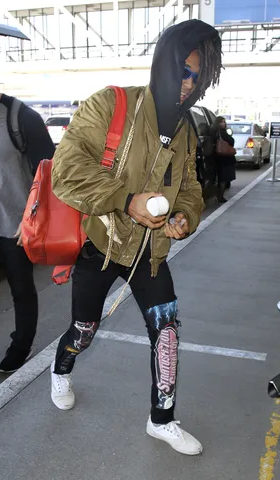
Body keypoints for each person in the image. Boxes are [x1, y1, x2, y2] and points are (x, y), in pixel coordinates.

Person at [50, 19, 222, 455]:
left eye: (197, 77)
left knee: (166, 333)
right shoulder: (112, 104)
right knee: (84, 329)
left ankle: (161, 419)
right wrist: (127, 201)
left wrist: (183, 216)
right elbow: (66, 171)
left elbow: (189, 189)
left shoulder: (184, 130)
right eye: (184, 70)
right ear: (164, 63)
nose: (189, 84)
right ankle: (61, 369)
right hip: (100, 247)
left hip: (150, 255)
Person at [0, 89, 55, 373]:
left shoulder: (20, 117)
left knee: (20, 288)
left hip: (15, 224)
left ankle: (20, 346)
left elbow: (50, 171)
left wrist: (34, 215)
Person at [211, 116, 236, 203]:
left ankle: (218, 195)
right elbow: (232, 141)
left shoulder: (213, 132)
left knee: (220, 178)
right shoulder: (223, 133)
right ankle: (220, 197)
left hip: (217, 158)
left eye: (224, 122)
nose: (224, 123)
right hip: (225, 159)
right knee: (224, 179)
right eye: (222, 122)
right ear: (218, 123)